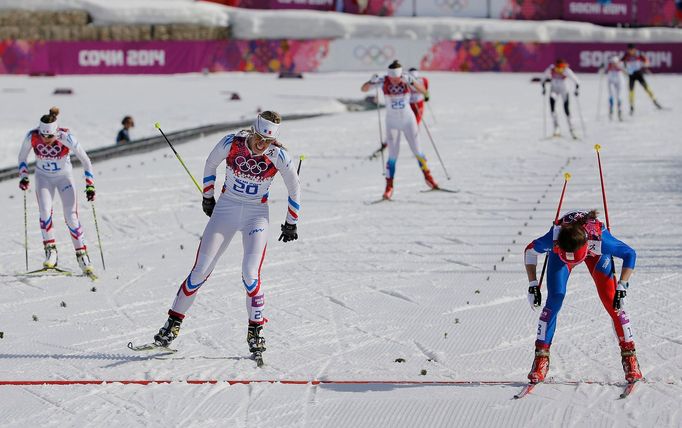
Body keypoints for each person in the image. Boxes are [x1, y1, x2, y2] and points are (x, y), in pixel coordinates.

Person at [152, 111, 301, 361]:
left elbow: (294, 188)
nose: (261, 145)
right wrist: (207, 196)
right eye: (259, 139)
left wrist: (291, 223)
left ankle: (255, 331)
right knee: (200, 271)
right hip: (226, 208)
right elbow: (211, 163)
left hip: (256, 214)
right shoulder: (232, 143)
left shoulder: (279, 155)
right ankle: (172, 325)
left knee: (250, 275)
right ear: (253, 132)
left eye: (267, 141)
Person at [523, 210, 642, 384]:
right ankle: (540, 359)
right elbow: (530, 251)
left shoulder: (600, 240)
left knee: (612, 301)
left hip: (596, 255)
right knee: (555, 299)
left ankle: (629, 357)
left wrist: (622, 285)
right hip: (560, 254)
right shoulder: (554, 238)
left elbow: (630, 254)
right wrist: (533, 284)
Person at [17, 107, 96, 275]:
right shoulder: (32, 136)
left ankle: (82, 255)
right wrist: (24, 176)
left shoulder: (66, 137)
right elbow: (22, 157)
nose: (46, 140)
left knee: (71, 216)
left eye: (50, 136)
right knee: (45, 213)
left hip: (64, 179)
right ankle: (51, 251)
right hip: (43, 178)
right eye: (43, 136)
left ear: (56, 132)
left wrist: (90, 185)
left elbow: (86, 160)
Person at [361, 60, 437, 200]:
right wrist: (371, 82)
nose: (395, 81)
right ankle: (389, 188)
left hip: (408, 121)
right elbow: (363, 89)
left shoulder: (406, 78)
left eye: (397, 78)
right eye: (393, 78)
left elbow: (424, 91)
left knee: (418, 151)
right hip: (392, 123)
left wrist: (416, 85)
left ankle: (429, 179)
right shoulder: (383, 80)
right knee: (392, 156)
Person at [542, 59, 580, 139]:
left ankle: (572, 129)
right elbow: (544, 77)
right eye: (558, 66)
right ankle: (556, 128)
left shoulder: (566, 70)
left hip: (564, 91)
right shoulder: (552, 68)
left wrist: (576, 89)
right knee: (552, 109)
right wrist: (543, 86)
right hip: (554, 90)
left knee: (566, 110)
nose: (559, 68)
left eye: (561, 66)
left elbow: (576, 80)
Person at [621, 43, 662, 115]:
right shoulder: (626, 55)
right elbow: (620, 62)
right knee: (631, 91)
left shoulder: (639, 54)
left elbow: (646, 61)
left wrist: (645, 64)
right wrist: (624, 69)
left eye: (631, 49)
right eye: (629, 49)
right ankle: (631, 106)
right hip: (631, 75)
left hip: (639, 74)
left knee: (647, 88)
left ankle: (655, 101)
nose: (630, 51)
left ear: (634, 49)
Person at [600, 56, 626, 121]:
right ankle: (611, 110)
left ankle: (619, 111)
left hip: (619, 81)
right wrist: (602, 68)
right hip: (611, 80)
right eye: (612, 63)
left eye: (615, 63)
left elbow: (625, 70)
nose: (614, 64)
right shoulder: (609, 65)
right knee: (611, 96)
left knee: (619, 97)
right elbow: (602, 71)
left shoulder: (620, 64)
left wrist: (620, 68)